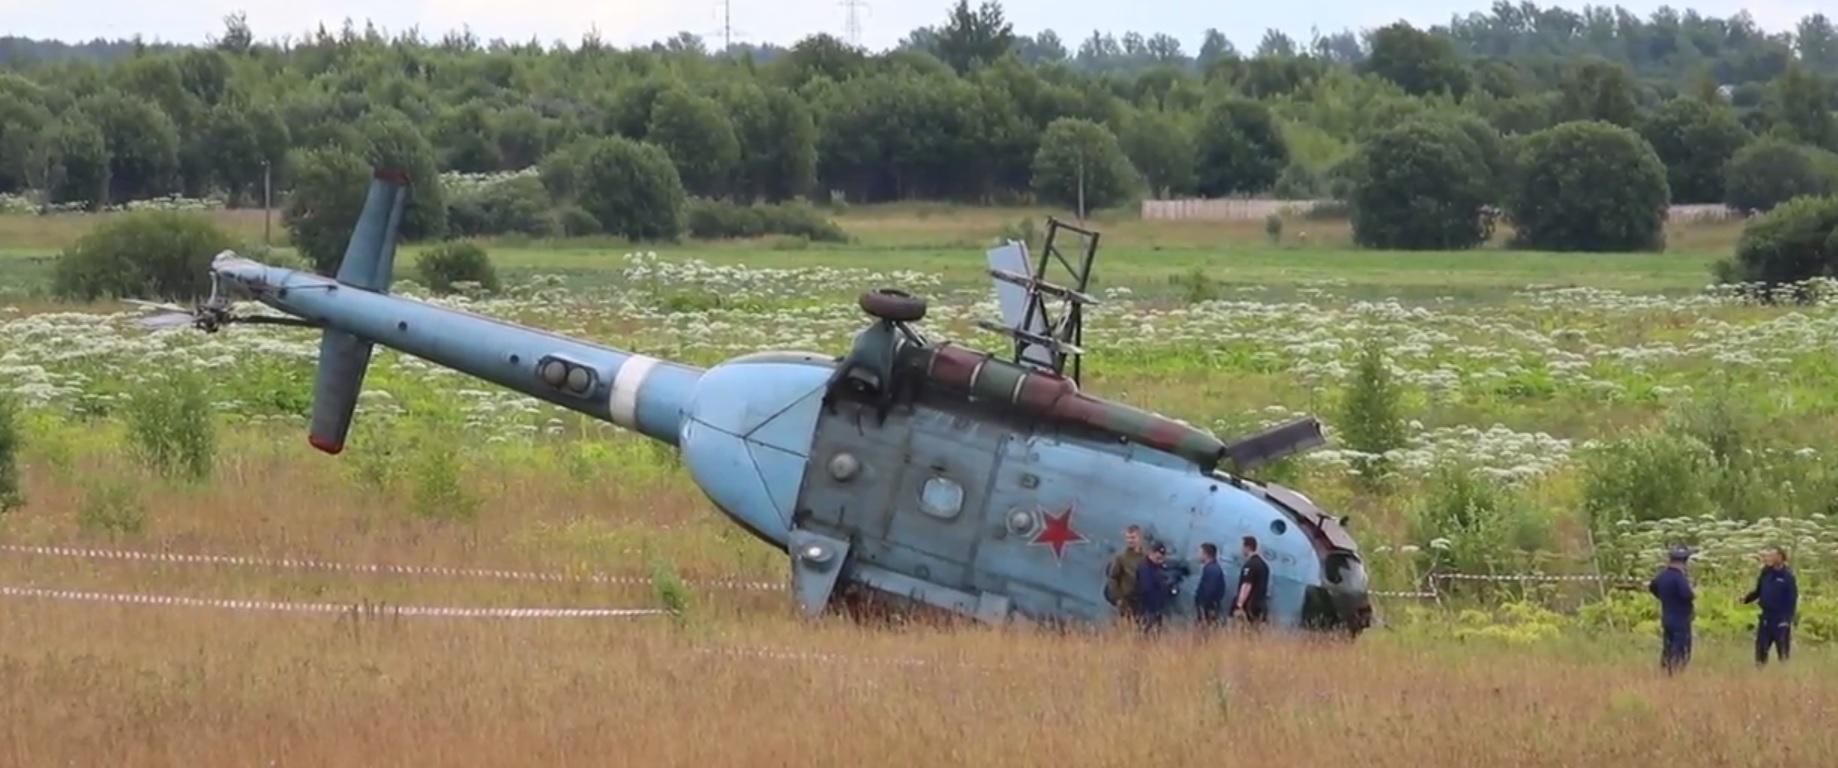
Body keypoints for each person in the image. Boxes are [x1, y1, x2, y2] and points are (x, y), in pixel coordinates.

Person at [1742, 546, 1798, 666]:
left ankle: (1784, 677)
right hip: (1766, 617)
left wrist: (1787, 619)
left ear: (1780, 557)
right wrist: (1746, 599)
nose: (1768, 558)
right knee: (1761, 650)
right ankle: (1760, 674)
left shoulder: (1788, 577)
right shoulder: (1765, 573)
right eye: (1768, 555)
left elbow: (1792, 600)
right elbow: (1758, 591)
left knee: (1783, 652)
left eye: (1772, 555)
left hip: (1780, 619)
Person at [1647, 546, 1695, 675]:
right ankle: (1675, 671)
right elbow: (1687, 595)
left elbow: (1652, 587)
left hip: (1667, 615)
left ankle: (1665, 667)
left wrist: (1662, 597)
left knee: (1668, 644)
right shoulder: (1679, 578)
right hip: (1681, 617)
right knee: (1680, 646)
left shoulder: (1662, 576)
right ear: (1684, 561)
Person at [1104, 525, 1146, 620]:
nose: (1130, 541)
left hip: (1143, 602)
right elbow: (1112, 578)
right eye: (1128, 538)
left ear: (1140, 538)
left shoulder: (1145, 558)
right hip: (1127, 602)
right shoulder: (1121, 558)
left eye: (1133, 537)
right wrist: (1118, 598)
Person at [1134, 542, 1175, 633]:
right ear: (1151, 554)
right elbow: (1147, 589)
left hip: (1157, 608)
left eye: (1162, 558)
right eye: (1158, 558)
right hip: (1148, 608)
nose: (1160, 560)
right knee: (1147, 634)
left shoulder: (1157, 568)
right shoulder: (1145, 568)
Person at [1233, 535, 1270, 625]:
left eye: (1242, 547)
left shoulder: (1250, 565)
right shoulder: (1264, 565)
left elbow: (1247, 585)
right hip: (1261, 605)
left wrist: (1239, 604)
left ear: (1248, 547)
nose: (1241, 550)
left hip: (1250, 605)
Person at [1195, 542, 1226, 627]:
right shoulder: (1212, 568)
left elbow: (1209, 590)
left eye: (1200, 553)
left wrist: (1203, 605)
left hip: (1208, 609)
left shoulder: (1212, 570)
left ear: (1206, 554)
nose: (1198, 556)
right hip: (1209, 608)